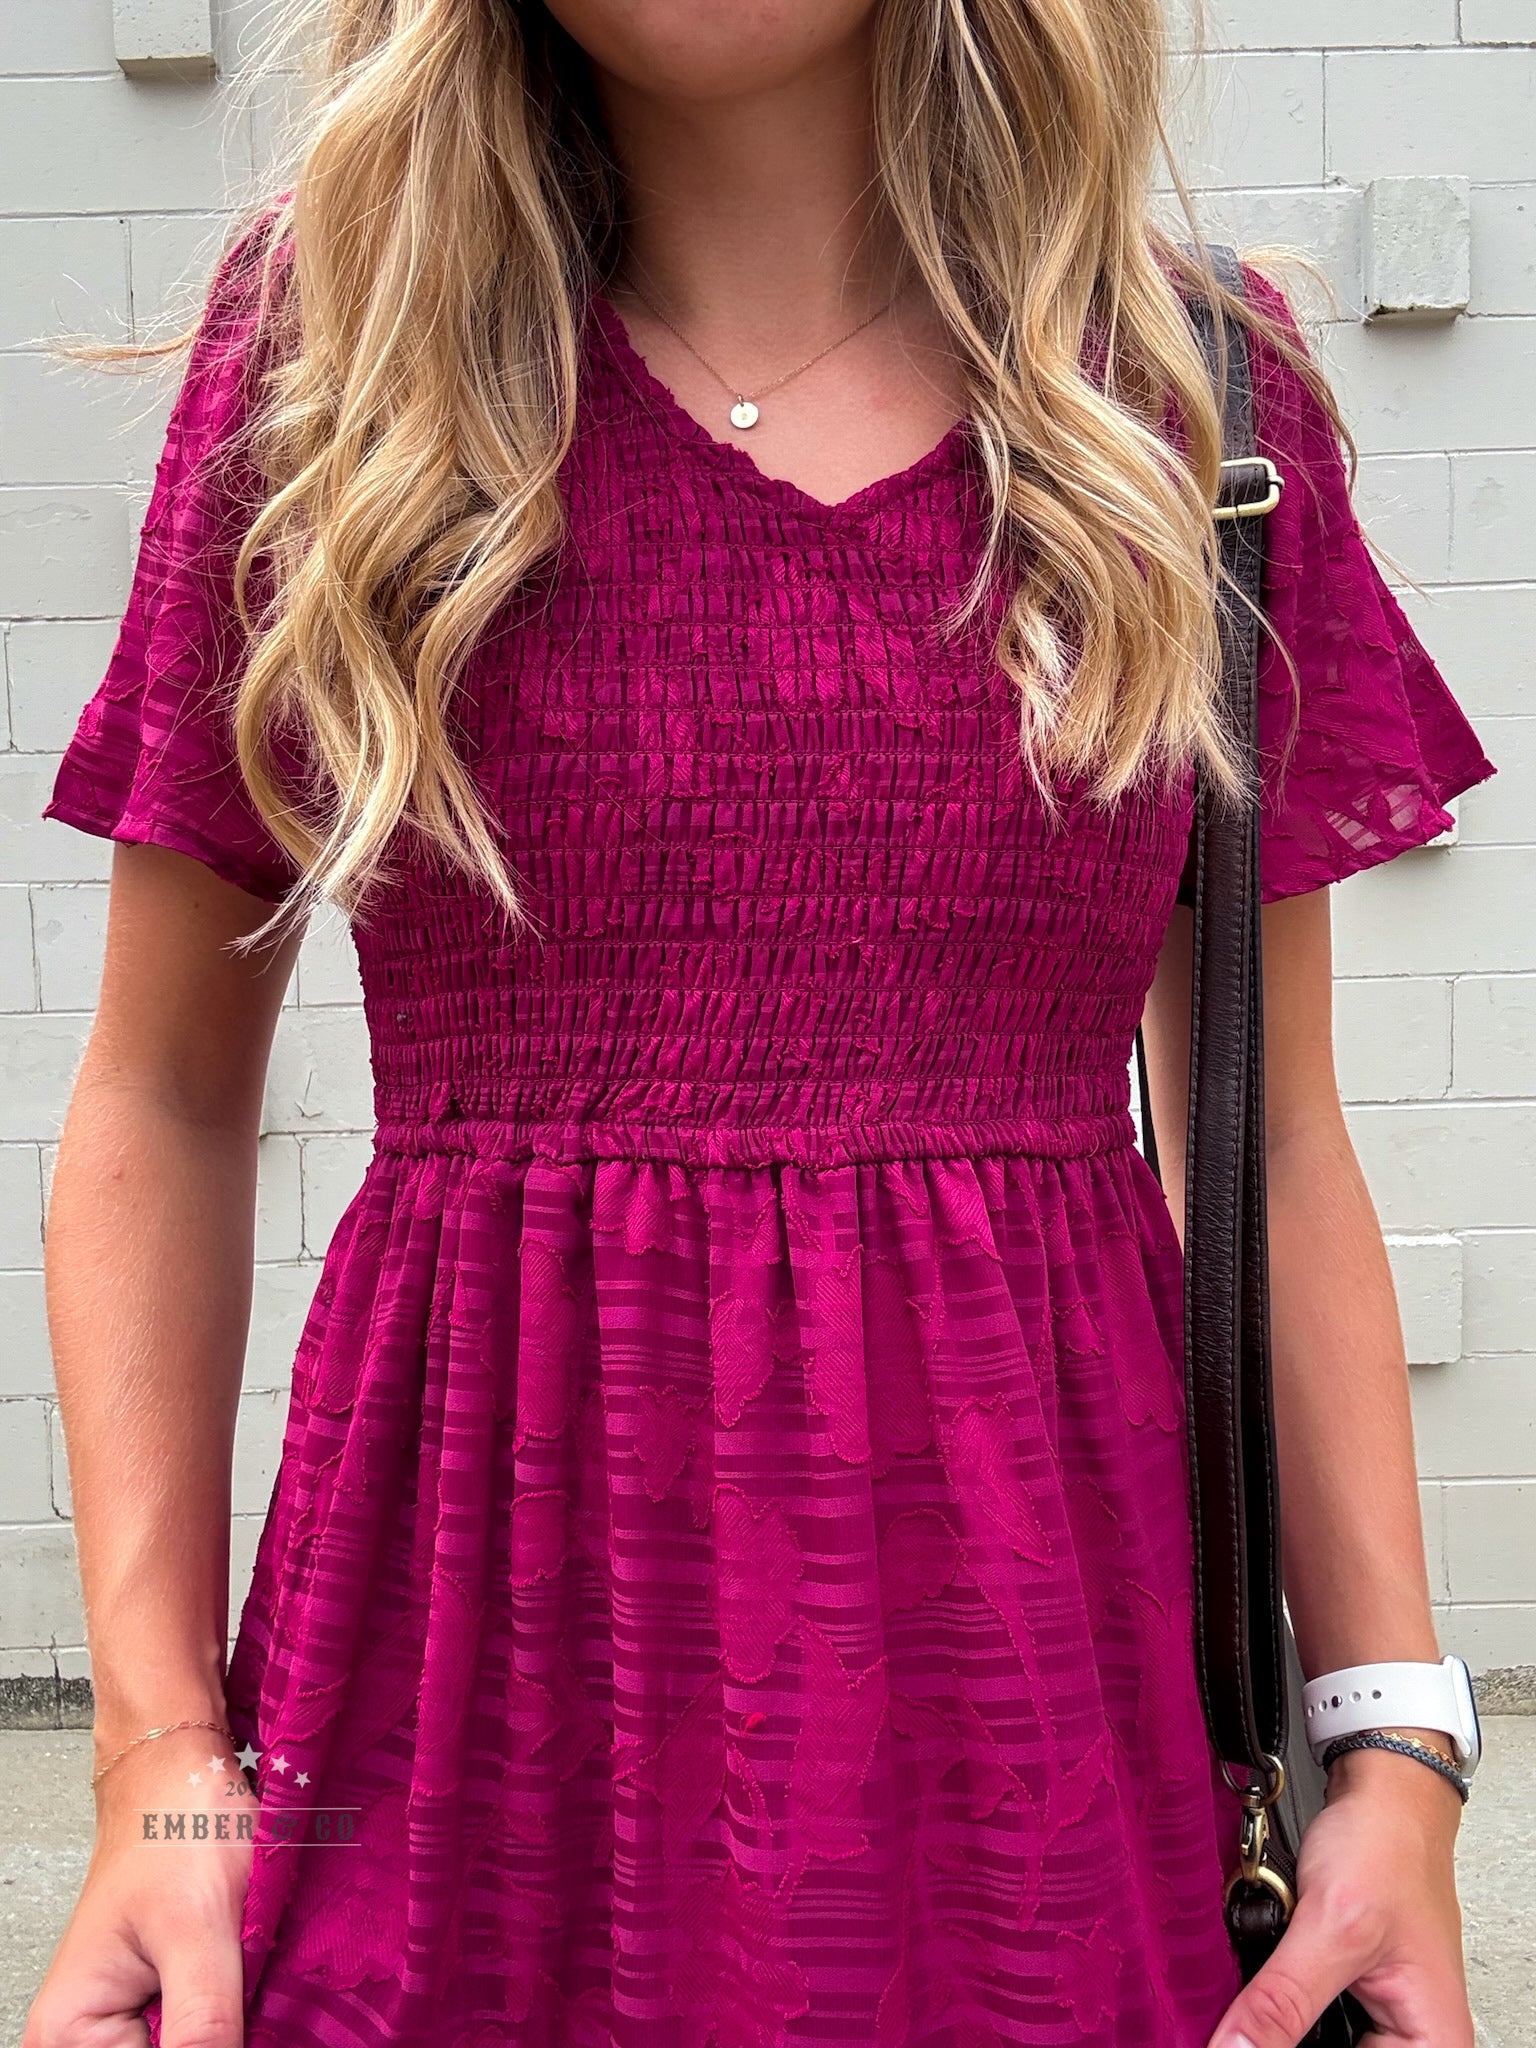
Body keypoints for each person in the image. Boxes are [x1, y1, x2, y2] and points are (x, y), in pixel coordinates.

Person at [24, 2, 1497, 2044]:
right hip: (469, 1699)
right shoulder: (339, 365)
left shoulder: (1187, 408)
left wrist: (1396, 1753)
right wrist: (159, 1769)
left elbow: (1274, 1146)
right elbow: (164, 1095)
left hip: (1032, 1708)